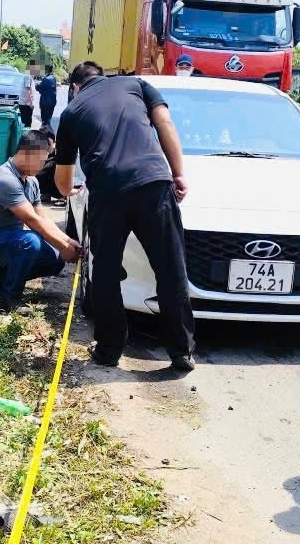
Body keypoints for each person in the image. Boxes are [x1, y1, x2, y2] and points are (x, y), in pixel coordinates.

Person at [53, 61, 197, 372]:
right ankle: (181, 351)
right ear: (101, 76)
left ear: (74, 87)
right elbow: (165, 124)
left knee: (105, 273)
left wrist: (71, 189)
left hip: (108, 192)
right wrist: (179, 174)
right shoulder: (137, 85)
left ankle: (108, 350)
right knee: (170, 268)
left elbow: (63, 183)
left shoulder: (72, 111)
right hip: (154, 183)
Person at [0, 130, 82, 311]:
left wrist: (67, 242)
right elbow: (32, 221)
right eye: (42, 161)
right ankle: (10, 298)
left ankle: (0, 280)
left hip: (9, 241)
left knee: (55, 259)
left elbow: (42, 218)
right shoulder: (5, 179)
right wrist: (63, 246)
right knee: (30, 242)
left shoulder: (31, 182)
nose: (43, 166)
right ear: (29, 154)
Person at [20, 61, 38, 128]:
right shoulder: (28, 76)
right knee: (26, 123)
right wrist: (30, 103)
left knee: (27, 122)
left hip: (26, 104)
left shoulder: (29, 76)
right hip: (26, 104)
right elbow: (28, 91)